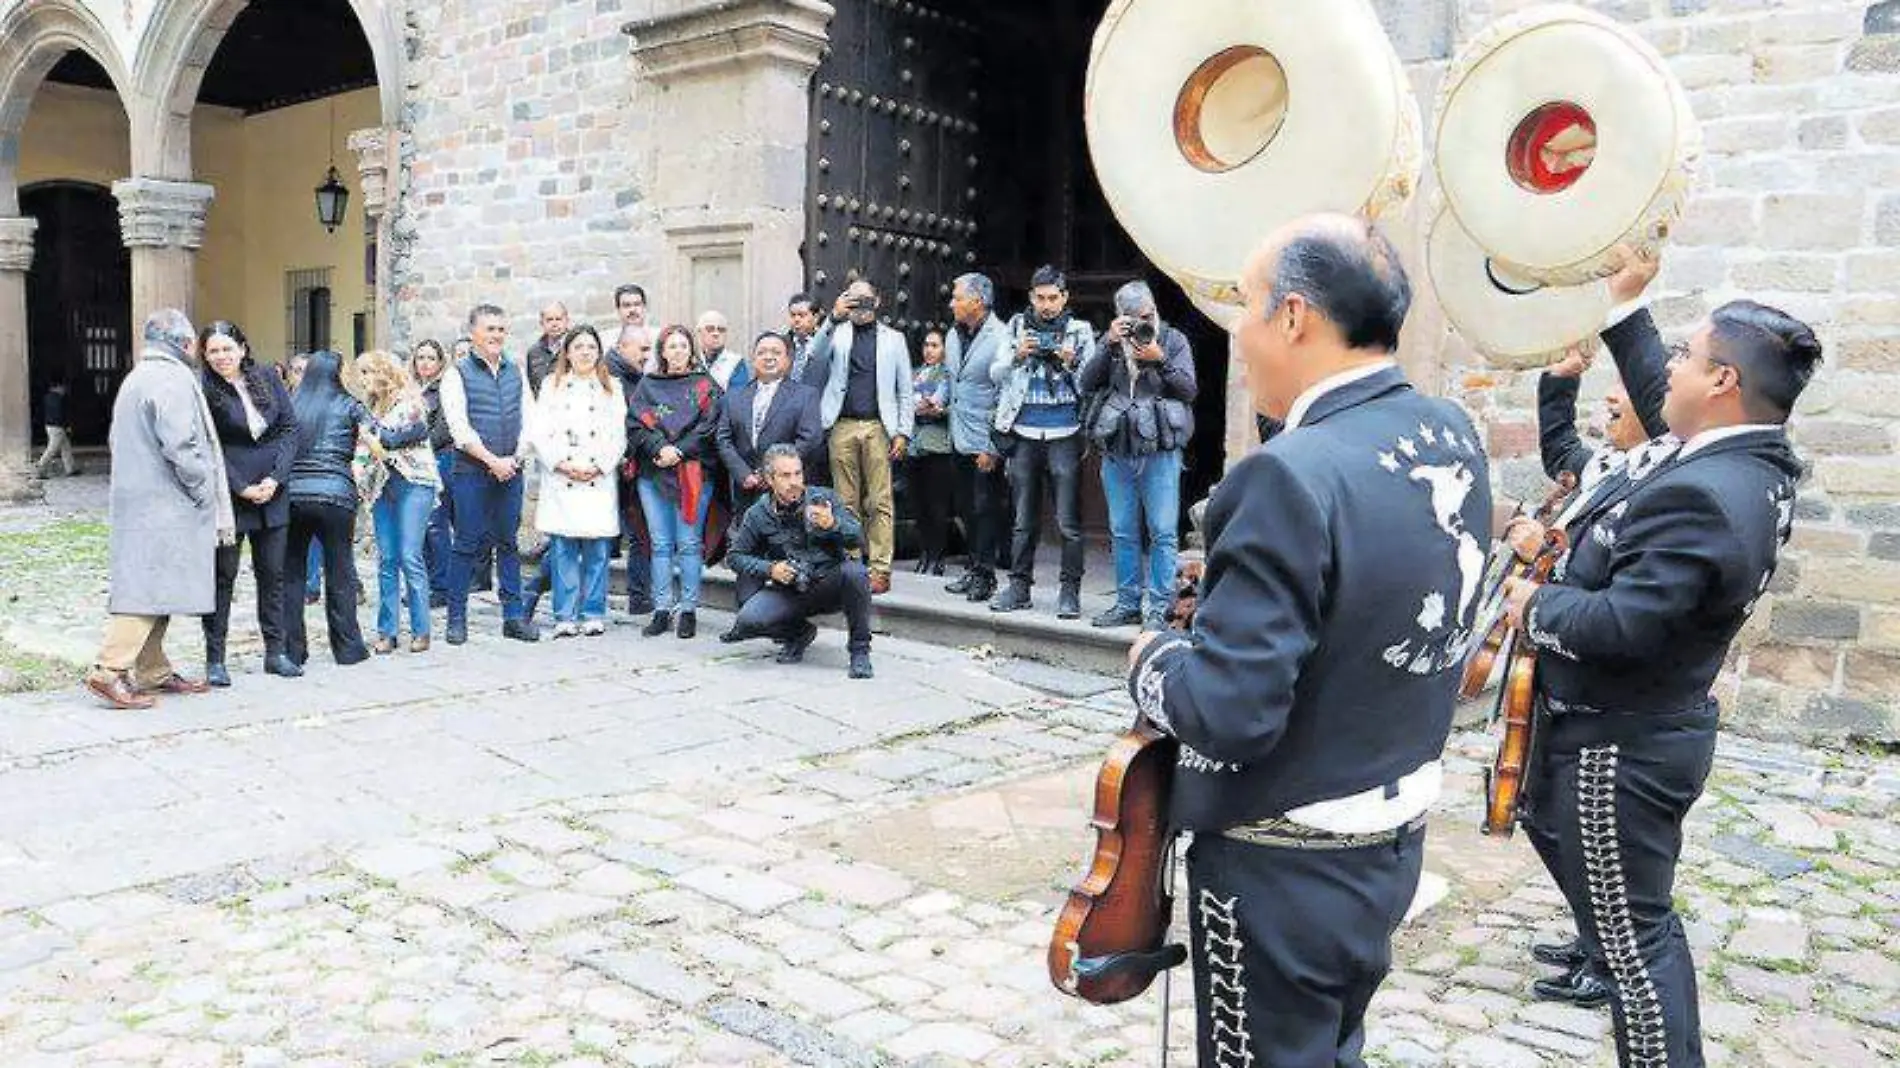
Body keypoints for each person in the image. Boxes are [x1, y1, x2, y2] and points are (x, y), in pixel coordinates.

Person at [1124, 215, 1492, 1067]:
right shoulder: (1450, 432)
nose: (1240, 338)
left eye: (1247, 309)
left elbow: (1230, 713)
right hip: (1389, 838)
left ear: (1293, 317)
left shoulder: (1290, 473)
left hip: (1280, 866)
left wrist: (1151, 662)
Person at [1500, 296, 1818, 1068]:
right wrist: (1626, 301)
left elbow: (1624, 627)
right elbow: (1660, 395)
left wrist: (1534, 603)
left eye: (1683, 354)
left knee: (1635, 953)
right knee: (1632, 930)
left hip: (1620, 750)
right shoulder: (1742, 454)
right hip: (1625, 731)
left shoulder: (1708, 494)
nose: (1666, 367)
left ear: (1721, 380)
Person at [1511, 253, 1675, 1012]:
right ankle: (1592, 932)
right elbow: (1560, 455)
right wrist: (1562, 376)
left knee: (1588, 829)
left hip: (1603, 680)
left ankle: (1610, 959)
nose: (1612, 399)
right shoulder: (1613, 465)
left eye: (1625, 393)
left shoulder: (1662, 477)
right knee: (1544, 813)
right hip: (1559, 672)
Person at [84, 309, 229, 710]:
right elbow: (182, 444)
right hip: (165, 501)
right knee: (147, 587)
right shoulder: (171, 379)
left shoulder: (138, 377)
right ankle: (109, 669)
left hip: (141, 496)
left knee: (157, 582)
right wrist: (204, 486)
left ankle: (153, 669)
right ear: (184, 344)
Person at [1080, 279, 1198, 630]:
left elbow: (1189, 390)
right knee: (1122, 531)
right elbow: (1087, 383)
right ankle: (1128, 602)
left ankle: (1159, 607)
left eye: (1147, 314)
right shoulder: (1113, 343)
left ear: (1155, 309)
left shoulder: (1173, 341)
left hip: (1160, 450)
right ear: (1121, 317)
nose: (1143, 322)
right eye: (1133, 318)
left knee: (1162, 531)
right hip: (1118, 449)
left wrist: (1161, 361)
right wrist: (1108, 344)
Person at [198, 320, 301, 686]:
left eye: (228, 348)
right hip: (231, 494)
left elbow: (290, 428)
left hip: (273, 489)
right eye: (213, 351)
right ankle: (215, 658)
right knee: (222, 577)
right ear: (205, 355)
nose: (222, 356)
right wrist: (240, 486)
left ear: (242, 348)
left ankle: (276, 652)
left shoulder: (267, 378)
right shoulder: (203, 389)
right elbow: (207, 446)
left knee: (272, 574)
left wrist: (277, 478)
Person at [990, 265, 1096, 618]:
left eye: (1053, 298)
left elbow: (1091, 385)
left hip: (1064, 433)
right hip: (1024, 434)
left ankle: (1069, 593)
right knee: (1023, 519)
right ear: (1031, 297)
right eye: (1040, 298)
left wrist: (1073, 361)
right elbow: (996, 373)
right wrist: (1019, 354)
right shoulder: (1017, 326)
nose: (1047, 305)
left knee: (1068, 521)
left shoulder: (1080, 331)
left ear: (1065, 297)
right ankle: (1018, 588)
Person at [724, 444, 874, 679]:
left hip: (828, 583)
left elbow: (859, 539)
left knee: (856, 573)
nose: (794, 481)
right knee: (748, 620)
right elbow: (734, 556)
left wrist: (833, 525)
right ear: (769, 479)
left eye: (798, 473)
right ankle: (798, 633)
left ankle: (860, 652)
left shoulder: (824, 499)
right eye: (785, 475)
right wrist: (770, 569)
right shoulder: (757, 513)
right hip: (790, 589)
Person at [441, 303, 540, 645]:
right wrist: (491, 461)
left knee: (509, 543)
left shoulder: (516, 372)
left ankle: (513, 617)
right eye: (490, 329)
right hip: (471, 471)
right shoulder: (457, 373)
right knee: (466, 543)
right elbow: (458, 427)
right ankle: (456, 618)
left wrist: (514, 457)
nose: (497, 334)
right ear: (473, 334)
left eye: (501, 328)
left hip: (511, 470)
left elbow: (531, 419)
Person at [283, 351, 389, 667]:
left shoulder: (290, 405)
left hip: (294, 495)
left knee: (292, 575)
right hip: (336, 495)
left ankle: (292, 650)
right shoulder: (350, 405)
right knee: (340, 571)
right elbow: (378, 439)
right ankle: (347, 649)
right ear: (338, 374)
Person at [812, 279, 915, 595]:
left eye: (865, 299)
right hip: (841, 425)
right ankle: (852, 563)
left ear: (878, 301)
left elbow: (905, 390)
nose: (860, 305)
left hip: (877, 427)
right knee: (845, 501)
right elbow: (814, 358)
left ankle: (880, 568)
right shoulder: (837, 333)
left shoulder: (894, 339)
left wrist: (902, 432)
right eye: (853, 299)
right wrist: (833, 317)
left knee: (880, 501)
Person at [531, 325, 627, 637]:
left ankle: (593, 612)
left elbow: (618, 434)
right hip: (563, 476)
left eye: (591, 347)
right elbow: (540, 430)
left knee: (597, 550)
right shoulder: (552, 385)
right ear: (568, 352)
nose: (585, 352)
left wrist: (599, 465)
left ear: (599, 352)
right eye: (579, 347)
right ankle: (564, 615)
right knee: (564, 550)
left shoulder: (612, 386)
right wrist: (561, 463)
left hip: (597, 478)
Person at [628, 325, 721, 639]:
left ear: (691, 350)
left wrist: (679, 451)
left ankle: (689, 609)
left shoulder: (706, 386)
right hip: (654, 473)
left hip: (694, 473)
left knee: (689, 543)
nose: (678, 351)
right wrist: (660, 448)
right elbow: (636, 425)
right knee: (661, 543)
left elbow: (710, 428)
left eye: (683, 345)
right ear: (662, 352)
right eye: (672, 346)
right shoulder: (647, 386)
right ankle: (662, 608)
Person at [358, 351, 440, 655]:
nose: (363, 380)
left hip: (415, 482)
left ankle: (422, 629)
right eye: (361, 373)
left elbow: (401, 437)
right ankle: (387, 631)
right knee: (387, 558)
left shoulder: (411, 402)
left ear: (384, 373)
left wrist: (371, 435)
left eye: (368, 372)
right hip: (383, 484)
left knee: (409, 555)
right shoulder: (371, 408)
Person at [942, 272, 1012, 603]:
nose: (951, 303)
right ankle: (972, 567)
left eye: (957, 297)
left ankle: (986, 575)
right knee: (967, 508)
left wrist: (992, 445)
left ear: (977, 302)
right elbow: (952, 381)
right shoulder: (953, 335)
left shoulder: (1000, 336)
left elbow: (1003, 393)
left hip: (984, 439)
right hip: (957, 435)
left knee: (986, 508)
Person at [714, 331, 823, 519]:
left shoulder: (805, 395)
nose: (769, 357)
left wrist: (772, 472)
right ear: (754, 359)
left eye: (776, 352)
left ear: (788, 360)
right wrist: (743, 474)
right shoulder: (733, 397)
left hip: (787, 488)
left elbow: (810, 439)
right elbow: (723, 439)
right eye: (762, 352)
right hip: (745, 489)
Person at [412, 340, 456, 608]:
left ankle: (442, 586)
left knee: (437, 525)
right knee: (421, 527)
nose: (425, 362)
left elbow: (445, 428)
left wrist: (416, 445)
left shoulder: (443, 389)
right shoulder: (412, 389)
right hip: (414, 462)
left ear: (440, 362)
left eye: (431, 357)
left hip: (438, 458)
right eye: (420, 357)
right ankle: (425, 583)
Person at [909, 329, 956, 575]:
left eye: (935, 345)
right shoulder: (914, 373)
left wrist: (939, 411)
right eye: (926, 345)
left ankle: (937, 557)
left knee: (937, 505)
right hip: (914, 446)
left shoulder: (949, 374)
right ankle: (924, 553)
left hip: (938, 446)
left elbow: (955, 407)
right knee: (919, 505)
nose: (929, 350)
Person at [524, 301, 571, 396]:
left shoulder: (576, 347)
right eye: (549, 320)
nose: (554, 324)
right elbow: (533, 386)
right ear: (541, 323)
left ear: (567, 321)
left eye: (558, 319)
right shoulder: (533, 353)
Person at [34, 378, 77, 478]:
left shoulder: (47, 397)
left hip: (49, 425)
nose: (64, 391)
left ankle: (70, 469)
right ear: (58, 388)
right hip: (58, 427)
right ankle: (40, 468)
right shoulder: (59, 399)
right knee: (52, 449)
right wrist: (66, 426)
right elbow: (61, 414)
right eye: (63, 389)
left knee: (66, 447)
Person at [699, 310, 748, 392]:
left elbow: (737, 398)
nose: (716, 334)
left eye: (721, 330)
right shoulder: (692, 361)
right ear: (699, 333)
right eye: (710, 329)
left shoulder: (736, 363)